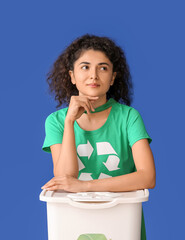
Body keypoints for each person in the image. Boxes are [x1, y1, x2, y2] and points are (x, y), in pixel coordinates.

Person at [41, 34, 155, 240]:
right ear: (72, 76)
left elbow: (147, 176)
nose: (93, 75)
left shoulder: (128, 117)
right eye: (85, 67)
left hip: (121, 223)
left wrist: (85, 186)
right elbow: (65, 178)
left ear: (112, 78)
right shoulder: (56, 121)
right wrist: (69, 122)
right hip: (74, 223)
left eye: (103, 68)